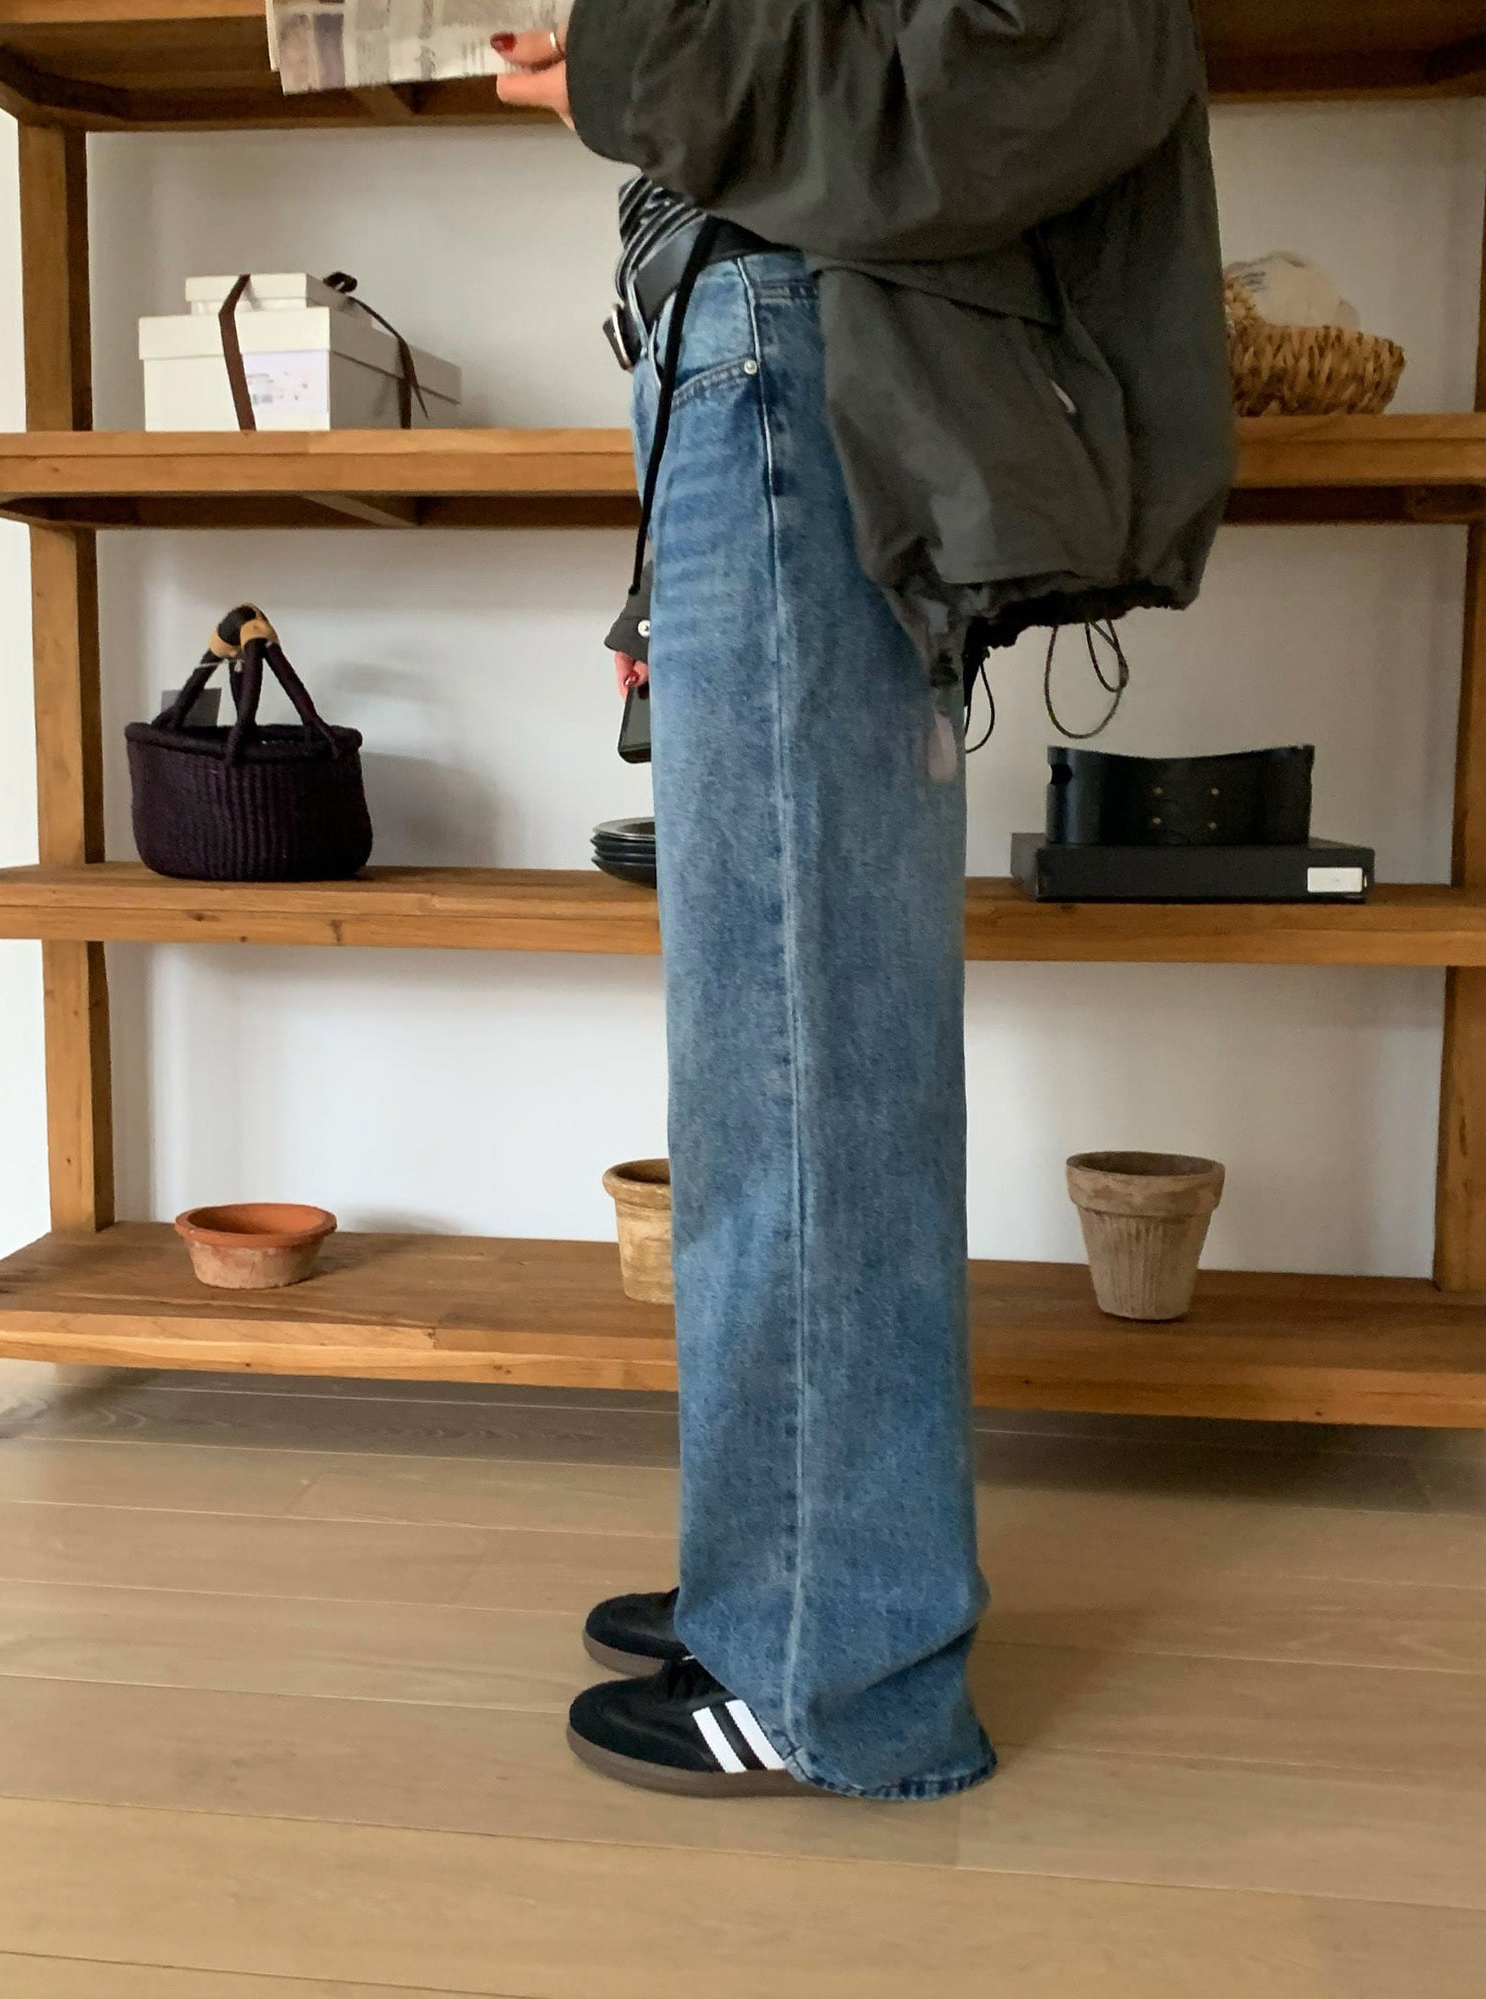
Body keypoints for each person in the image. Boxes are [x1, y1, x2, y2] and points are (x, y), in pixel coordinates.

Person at [498, 1, 1233, 1802]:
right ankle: (782, 1582)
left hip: (803, 374)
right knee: (772, 1053)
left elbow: (1028, 73)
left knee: (809, 1047)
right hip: (762, 367)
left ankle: (839, 1673)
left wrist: (635, 58)